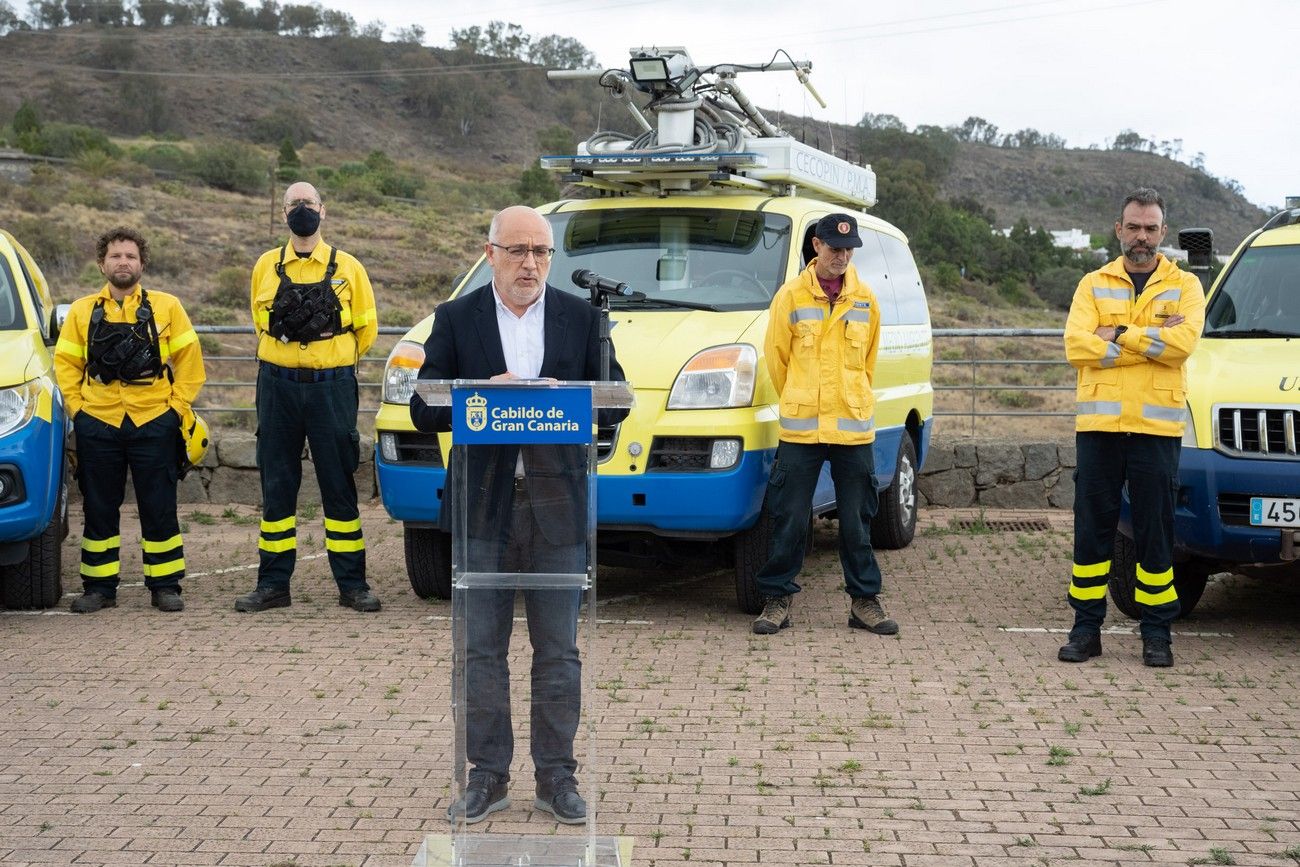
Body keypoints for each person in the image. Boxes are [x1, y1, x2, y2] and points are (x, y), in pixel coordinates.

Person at [409, 205, 628, 826]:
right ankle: (487, 776)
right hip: (483, 508)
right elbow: (425, 408)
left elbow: (615, 403)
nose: (530, 263)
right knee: (481, 650)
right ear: (490, 254)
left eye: (541, 252)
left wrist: (565, 399)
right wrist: (484, 389)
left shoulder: (584, 320)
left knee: (558, 650)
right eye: (518, 251)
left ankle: (557, 777)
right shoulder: (455, 319)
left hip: (558, 507)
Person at [1059, 188, 1205, 668]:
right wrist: (1151, 342)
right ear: (1118, 229)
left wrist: (1119, 332)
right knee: (1092, 529)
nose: (1141, 237)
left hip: (1155, 431)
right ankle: (1086, 628)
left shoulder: (1186, 286)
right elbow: (1076, 347)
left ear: (1163, 233)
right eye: (1133, 227)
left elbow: (1182, 346)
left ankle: (1156, 631)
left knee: (1154, 531)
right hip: (1100, 425)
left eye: (1150, 228)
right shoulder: (1091, 283)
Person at [751, 213, 898, 637]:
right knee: (790, 518)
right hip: (802, 430)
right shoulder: (790, 296)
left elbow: (867, 364)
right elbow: (777, 360)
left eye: (848, 250)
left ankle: (865, 602)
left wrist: (847, 401)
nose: (842, 256)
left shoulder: (866, 298)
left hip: (852, 427)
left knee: (857, 519)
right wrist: (801, 398)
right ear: (816, 246)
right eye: (835, 248)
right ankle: (776, 599)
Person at [236, 182, 380, 613]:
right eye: (294, 204)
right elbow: (260, 324)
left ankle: (353, 586)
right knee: (277, 485)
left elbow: (366, 331)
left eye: (309, 203)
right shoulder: (265, 266)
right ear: (283, 214)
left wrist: (327, 357)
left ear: (324, 210)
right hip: (277, 387)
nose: (302, 210)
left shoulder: (349, 268)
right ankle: (273, 585)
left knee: (338, 485)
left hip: (331, 388)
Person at [54, 226, 205, 613]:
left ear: (142, 263)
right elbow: (66, 365)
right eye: (116, 256)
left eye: (131, 256)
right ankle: (99, 588)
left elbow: (190, 365)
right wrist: (79, 412)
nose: (124, 262)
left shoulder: (168, 307)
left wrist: (175, 410)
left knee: (159, 505)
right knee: (99, 506)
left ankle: (165, 585)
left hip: (154, 419)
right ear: (102, 263)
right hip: (98, 422)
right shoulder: (82, 311)